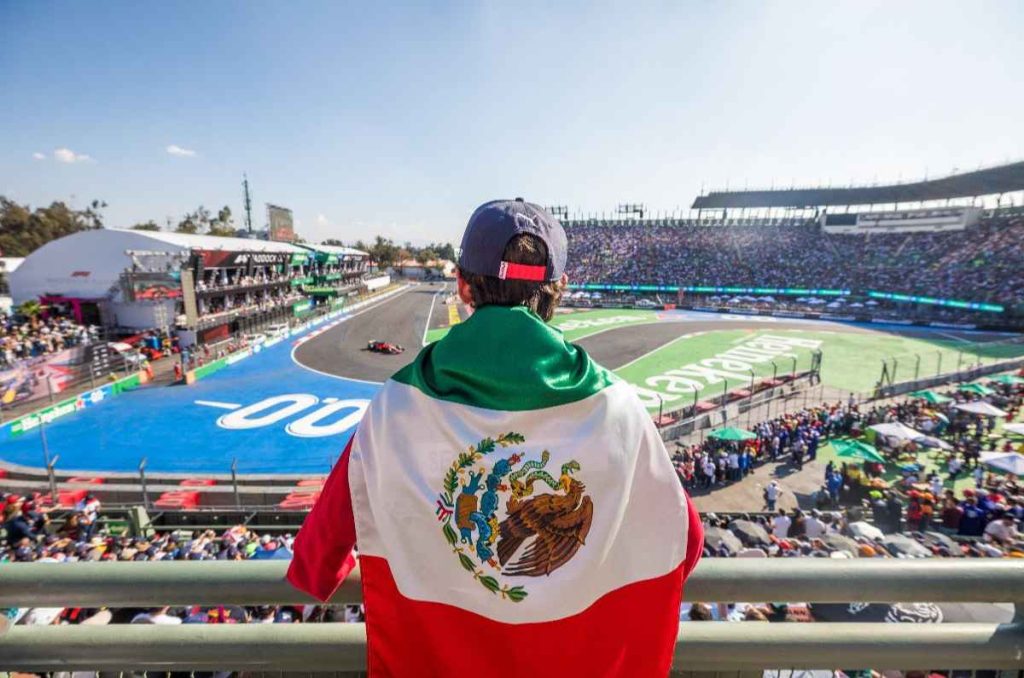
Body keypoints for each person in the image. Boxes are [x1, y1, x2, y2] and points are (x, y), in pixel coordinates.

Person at [287, 199, 704, 677]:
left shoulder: (393, 407)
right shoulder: (619, 408)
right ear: (559, 289)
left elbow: (316, 563)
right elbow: (685, 543)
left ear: (463, 285)